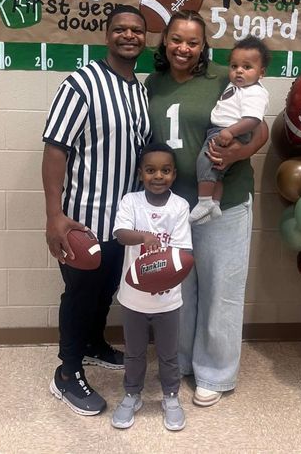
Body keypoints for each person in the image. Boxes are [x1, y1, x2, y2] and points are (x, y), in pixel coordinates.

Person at [145, 10, 269, 407]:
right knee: (180, 288)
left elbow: (261, 125)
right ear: (165, 41)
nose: (184, 48)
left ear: (203, 46)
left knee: (221, 290)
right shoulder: (153, 83)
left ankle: (215, 371)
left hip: (224, 202)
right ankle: (181, 361)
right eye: (176, 39)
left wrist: (239, 153)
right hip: (173, 207)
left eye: (193, 42)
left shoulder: (225, 76)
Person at [42, 5, 151, 416]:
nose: (129, 35)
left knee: (106, 291)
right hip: (83, 219)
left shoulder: (139, 91)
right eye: (120, 29)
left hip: (121, 223)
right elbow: (55, 150)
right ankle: (66, 375)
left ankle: (92, 344)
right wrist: (54, 216)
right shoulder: (82, 83)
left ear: (144, 38)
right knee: (81, 294)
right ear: (107, 36)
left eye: (137, 30)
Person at [111, 143, 192, 431]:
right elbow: (120, 235)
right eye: (151, 170)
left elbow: (183, 254)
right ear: (141, 174)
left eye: (165, 170)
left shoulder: (180, 206)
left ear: (174, 174)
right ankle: (132, 394)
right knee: (133, 352)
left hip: (168, 299)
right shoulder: (131, 202)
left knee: (169, 354)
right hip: (133, 298)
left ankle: (171, 396)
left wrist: (164, 280)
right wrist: (144, 237)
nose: (158, 176)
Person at [189, 37, 270, 224]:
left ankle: (204, 202)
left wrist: (231, 132)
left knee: (206, 161)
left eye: (247, 67)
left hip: (226, 132)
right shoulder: (236, 85)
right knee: (218, 171)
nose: (239, 71)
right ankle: (215, 203)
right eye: (234, 67)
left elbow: (253, 120)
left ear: (261, 72)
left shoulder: (255, 92)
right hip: (223, 130)